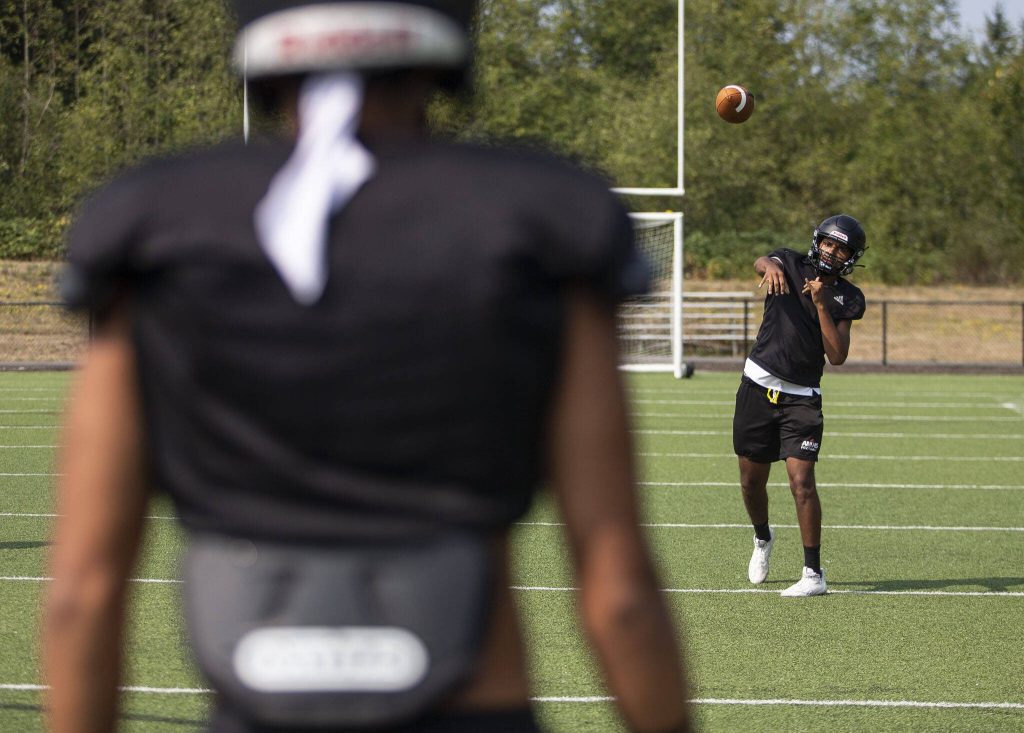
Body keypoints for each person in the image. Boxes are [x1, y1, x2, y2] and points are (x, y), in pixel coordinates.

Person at [42, 2, 691, 732]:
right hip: (475, 705)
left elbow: (82, 591)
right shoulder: (536, 219)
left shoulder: (156, 222)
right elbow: (618, 590)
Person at [733, 215, 867, 597]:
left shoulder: (848, 297)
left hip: (803, 397)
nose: (832, 251)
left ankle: (813, 574)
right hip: (758, 387)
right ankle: (762, 538)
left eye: (841, 248)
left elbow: (837, 355)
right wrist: (770, 264)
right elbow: (762, 261)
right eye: (828, 243)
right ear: (817, 241)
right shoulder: (790, 263)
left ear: (850, 257)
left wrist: (823, 304)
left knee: (802, 483)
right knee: (750, 481)